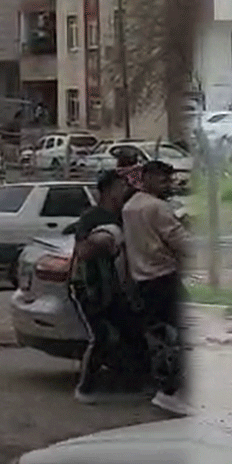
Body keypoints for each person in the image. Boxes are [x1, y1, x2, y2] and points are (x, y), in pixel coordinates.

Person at [69, 170, 152, 404]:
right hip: (91, 286)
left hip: (116, 287)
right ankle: (86, 388)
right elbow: (82, 251)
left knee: (134, 332)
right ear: (107, 191)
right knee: (101, 336)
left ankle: (140, 384)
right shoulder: (92, 217)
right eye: (120, 187)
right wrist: (102, 242)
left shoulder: (126, 215)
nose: (124, 191)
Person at [122, 160, 191, 416]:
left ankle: (164, 388)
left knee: (159, 339)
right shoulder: (157, 208)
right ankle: (172, 392)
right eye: (162, 180)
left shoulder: (130, 207)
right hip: (164, 278)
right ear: (147, 179)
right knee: (179, 338)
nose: (167, 185)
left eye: (169, 180)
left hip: (142, 280)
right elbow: (181, 242)